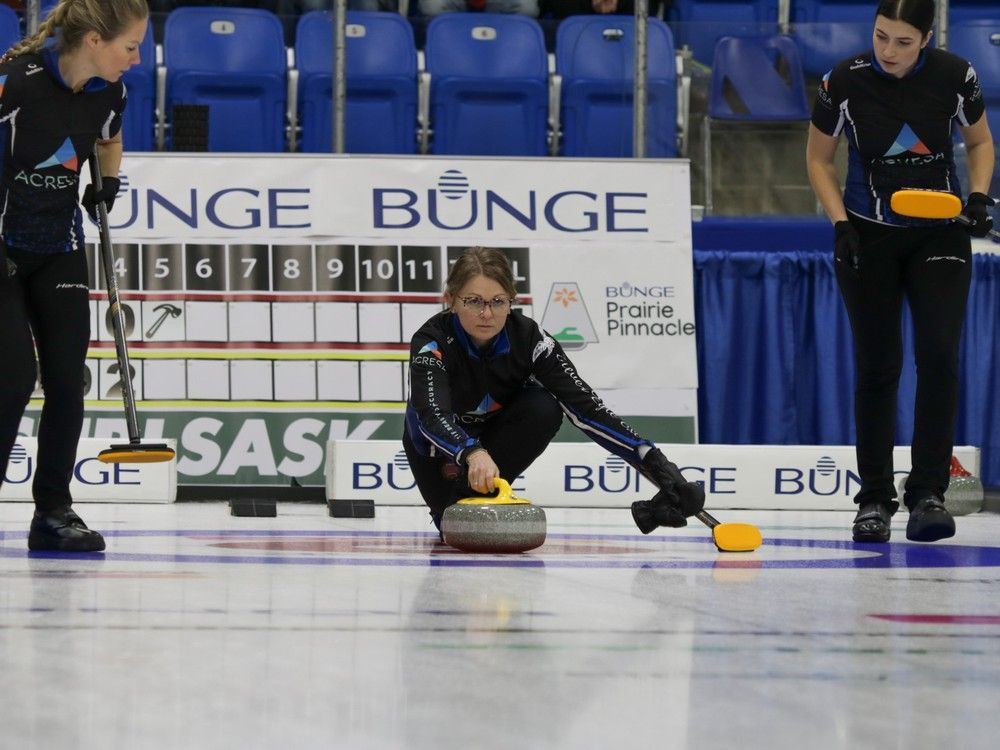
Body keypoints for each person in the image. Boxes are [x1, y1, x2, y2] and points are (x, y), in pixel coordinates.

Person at [805, 0, 995, 544]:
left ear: (926, 39)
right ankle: (873, 500)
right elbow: (818, 159)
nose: (888, 51)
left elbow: (980, 141)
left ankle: (928, 495)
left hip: (940, 234)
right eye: (880, 36)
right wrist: (840, 224)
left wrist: (978, 195)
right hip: (868, 236)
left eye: (903, 41)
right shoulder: (843, 81)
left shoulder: (956, 76)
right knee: (878, 366)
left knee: (938, 357)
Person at [403, 246, 705, 536]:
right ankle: (452, 509)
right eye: (473, 301)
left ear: (511, 301)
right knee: (453, 524)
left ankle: (468, 501)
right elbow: (431, 415)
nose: (487, 313)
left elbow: (587, 409)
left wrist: (656, 464)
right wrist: (471, 452)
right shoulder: (431, 341)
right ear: (451, 300)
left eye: (498, 301)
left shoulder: (530, 339)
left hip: (491, 451)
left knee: (543, 407)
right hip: (439, 453)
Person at [0, 0, 149, 551]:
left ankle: (53, 512)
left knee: (67, 378)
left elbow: (107, 138)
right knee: (14, 376)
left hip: (58, 245)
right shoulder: (14, 83)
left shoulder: (110, 91)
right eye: (129, 47)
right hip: (1, 244)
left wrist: (106, 182)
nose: (135, 59)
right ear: (93, 41)